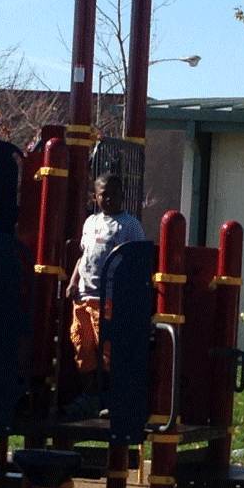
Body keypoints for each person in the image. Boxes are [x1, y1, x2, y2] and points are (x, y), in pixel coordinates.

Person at [63, 173, 145, 417]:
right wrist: (72, 282)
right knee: (83, 346)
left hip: (108, 297)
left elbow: (137, 260)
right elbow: (83, 256)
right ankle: (89, 396)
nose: (108, 199)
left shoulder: (130, 225)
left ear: (121, 196)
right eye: (103, 194)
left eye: (113, 194)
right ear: (95, 196)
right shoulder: (90, 222)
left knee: (108, 349)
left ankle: (113, 398)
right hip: (84, 296)